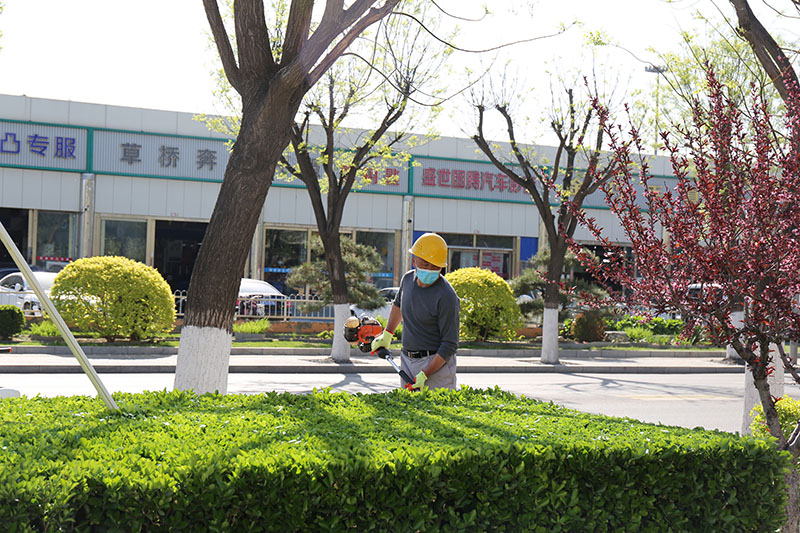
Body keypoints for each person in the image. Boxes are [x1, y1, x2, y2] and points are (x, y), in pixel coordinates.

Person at [371, 232, 460, 390]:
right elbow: (398, 305)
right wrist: (387, 334)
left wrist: (425, 373)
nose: (430, 269)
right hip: (407, 360)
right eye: (425, 264)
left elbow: (450, 344)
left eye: (435, 266)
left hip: (436, 366)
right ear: (414, 261)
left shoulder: (447, 296)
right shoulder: (407, 280)